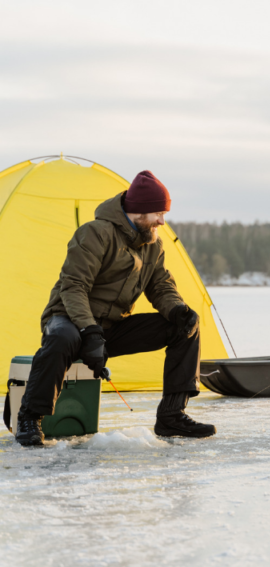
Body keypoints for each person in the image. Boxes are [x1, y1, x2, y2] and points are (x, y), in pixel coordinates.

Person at [15, 170, 215, 447]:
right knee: (64, 338)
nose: (162, 220)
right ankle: (29, 417)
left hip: (111, 327)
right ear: (139, 212)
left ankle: (172, 415)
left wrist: (178, 310)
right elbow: (73, 287)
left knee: (184, 327)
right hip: (68, 318)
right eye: (157, 213)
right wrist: (89, 330)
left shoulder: (152, 244)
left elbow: (160, 286)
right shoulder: (95, 234)